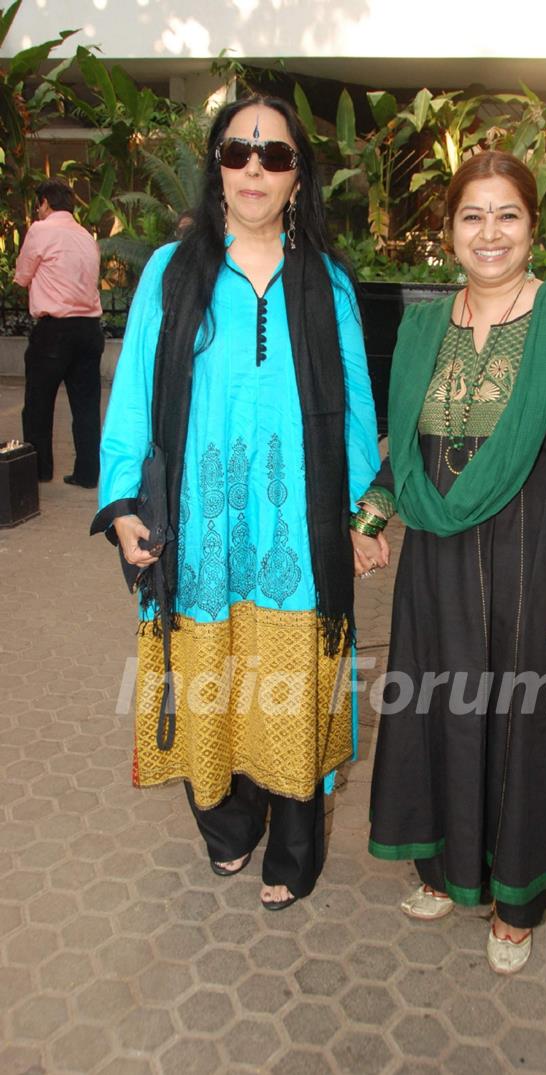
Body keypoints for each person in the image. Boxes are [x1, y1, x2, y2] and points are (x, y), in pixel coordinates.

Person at [91, 95, 379, 909]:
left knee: (292, 681)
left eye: (276, 155)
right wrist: (120, 506)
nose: (255, 167)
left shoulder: (327, 281)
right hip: (201, 531)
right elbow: (134, 396)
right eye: (240, 151)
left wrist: (365, 508)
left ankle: (295, 844)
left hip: (298, 529)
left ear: (298, 177)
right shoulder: (172, 271)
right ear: (217, 163)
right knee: (208, 675)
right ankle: (226, 822)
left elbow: (357, 406)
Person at [351, 152, 546, 974]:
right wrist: (370, 518)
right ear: (448, 232)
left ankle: (516, 898)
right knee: (438, 707)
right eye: (472, 215)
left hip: (533, 561)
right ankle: (442, 864)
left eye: (507, 214)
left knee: (524, 720)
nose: (490, 232)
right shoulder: (425, 327)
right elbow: (405, 438)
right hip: (436, 560)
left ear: (533, 226)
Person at [14, 178, 104, 487]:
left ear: (45, 204)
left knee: (38, 404)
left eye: (38, 204)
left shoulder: (41, 230)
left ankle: (38, 472)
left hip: (55, 330)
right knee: (87, 406)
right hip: (90, 329)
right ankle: (88, 473)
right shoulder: (85, 235)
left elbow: (22, 276)